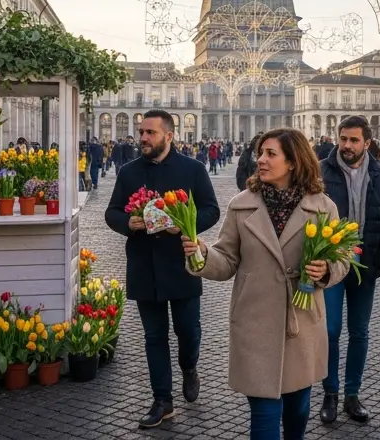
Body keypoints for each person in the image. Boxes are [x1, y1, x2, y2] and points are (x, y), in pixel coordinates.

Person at [181, 128, 346, 440]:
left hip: (301, 322)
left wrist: (326, 270)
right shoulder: (242, 205)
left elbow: (343, 260)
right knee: (264, 415)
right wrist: (202, 255)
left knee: (298, 410)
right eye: (260, 153)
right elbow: (227, 259)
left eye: (270, 154)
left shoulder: (323, 207)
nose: (261, 160)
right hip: (255, 322)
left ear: (294, 161)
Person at [105, 110, 221, 428]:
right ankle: (162, 400)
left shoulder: (193, 169)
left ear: (169, 136)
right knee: (154, 337)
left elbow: (212, 209)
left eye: (150, 133)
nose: (143, 137)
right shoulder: (129, 172)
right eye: (142, 132)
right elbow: (112, 212)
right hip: (144, 265)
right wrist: (127, 222)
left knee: (189, 332)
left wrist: (183, 224)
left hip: (182, 265)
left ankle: (189, 366)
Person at [318, 116, 380, 426]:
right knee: (330, 330)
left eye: (353, 140)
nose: (346, 145)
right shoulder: (321, 171)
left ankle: (352, 394)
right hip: (331, 264)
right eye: (343, 139)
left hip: (366, 264)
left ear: (367, 143)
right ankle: (330, 393)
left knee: (359, 332)